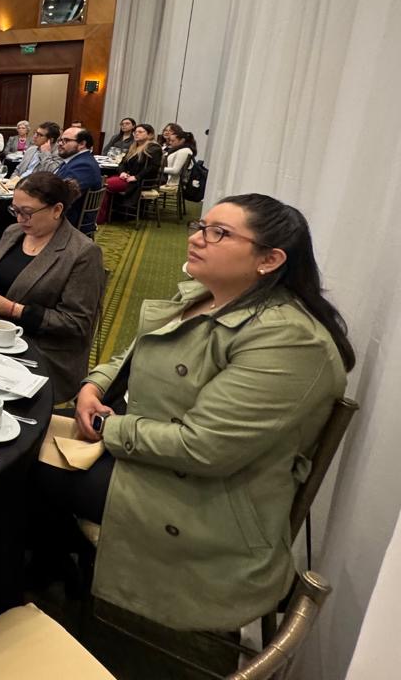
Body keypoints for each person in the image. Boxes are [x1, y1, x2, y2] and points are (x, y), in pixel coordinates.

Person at [53, 195, 352, 633]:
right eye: (201, 227)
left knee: (21, 469)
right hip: (144, 441)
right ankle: (50, 565)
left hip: (199, 497)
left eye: (219, 233)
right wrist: (92, 386)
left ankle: (33, 582)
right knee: (20, 434)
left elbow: (203, 448)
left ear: (269, 259)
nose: (196, 238)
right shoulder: (208, 296)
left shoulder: (290, 341)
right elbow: (132, 356)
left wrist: (108, 426)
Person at [0, 172, 105, 397]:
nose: (20, 219)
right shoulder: (13, 233)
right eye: (15, 211)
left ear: (56, 210)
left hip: (43, 354)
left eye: (27, 212)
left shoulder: (82, 252)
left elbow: (77, 323)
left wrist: (14, 310)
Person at [97, 123, 162, 223]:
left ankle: (100, 218)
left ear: (149, 134)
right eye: (135, 132)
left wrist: (137, 177)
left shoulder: (154, 148)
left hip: (141, 181)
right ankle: (105, 215)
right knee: (103, 182)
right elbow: (122, 163)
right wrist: (122, 172)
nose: (136, 134)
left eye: (140, 132)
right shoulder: (134, 146)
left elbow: (152, 168)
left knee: (106, 184)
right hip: (128, 178)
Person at [56, 126, 103, 227]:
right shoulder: (75, 160)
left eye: (66, 140)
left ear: (82, 144)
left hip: (68, 220)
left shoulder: (83, 165)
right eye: (60, 140)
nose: (60, 143)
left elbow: (62, 194)